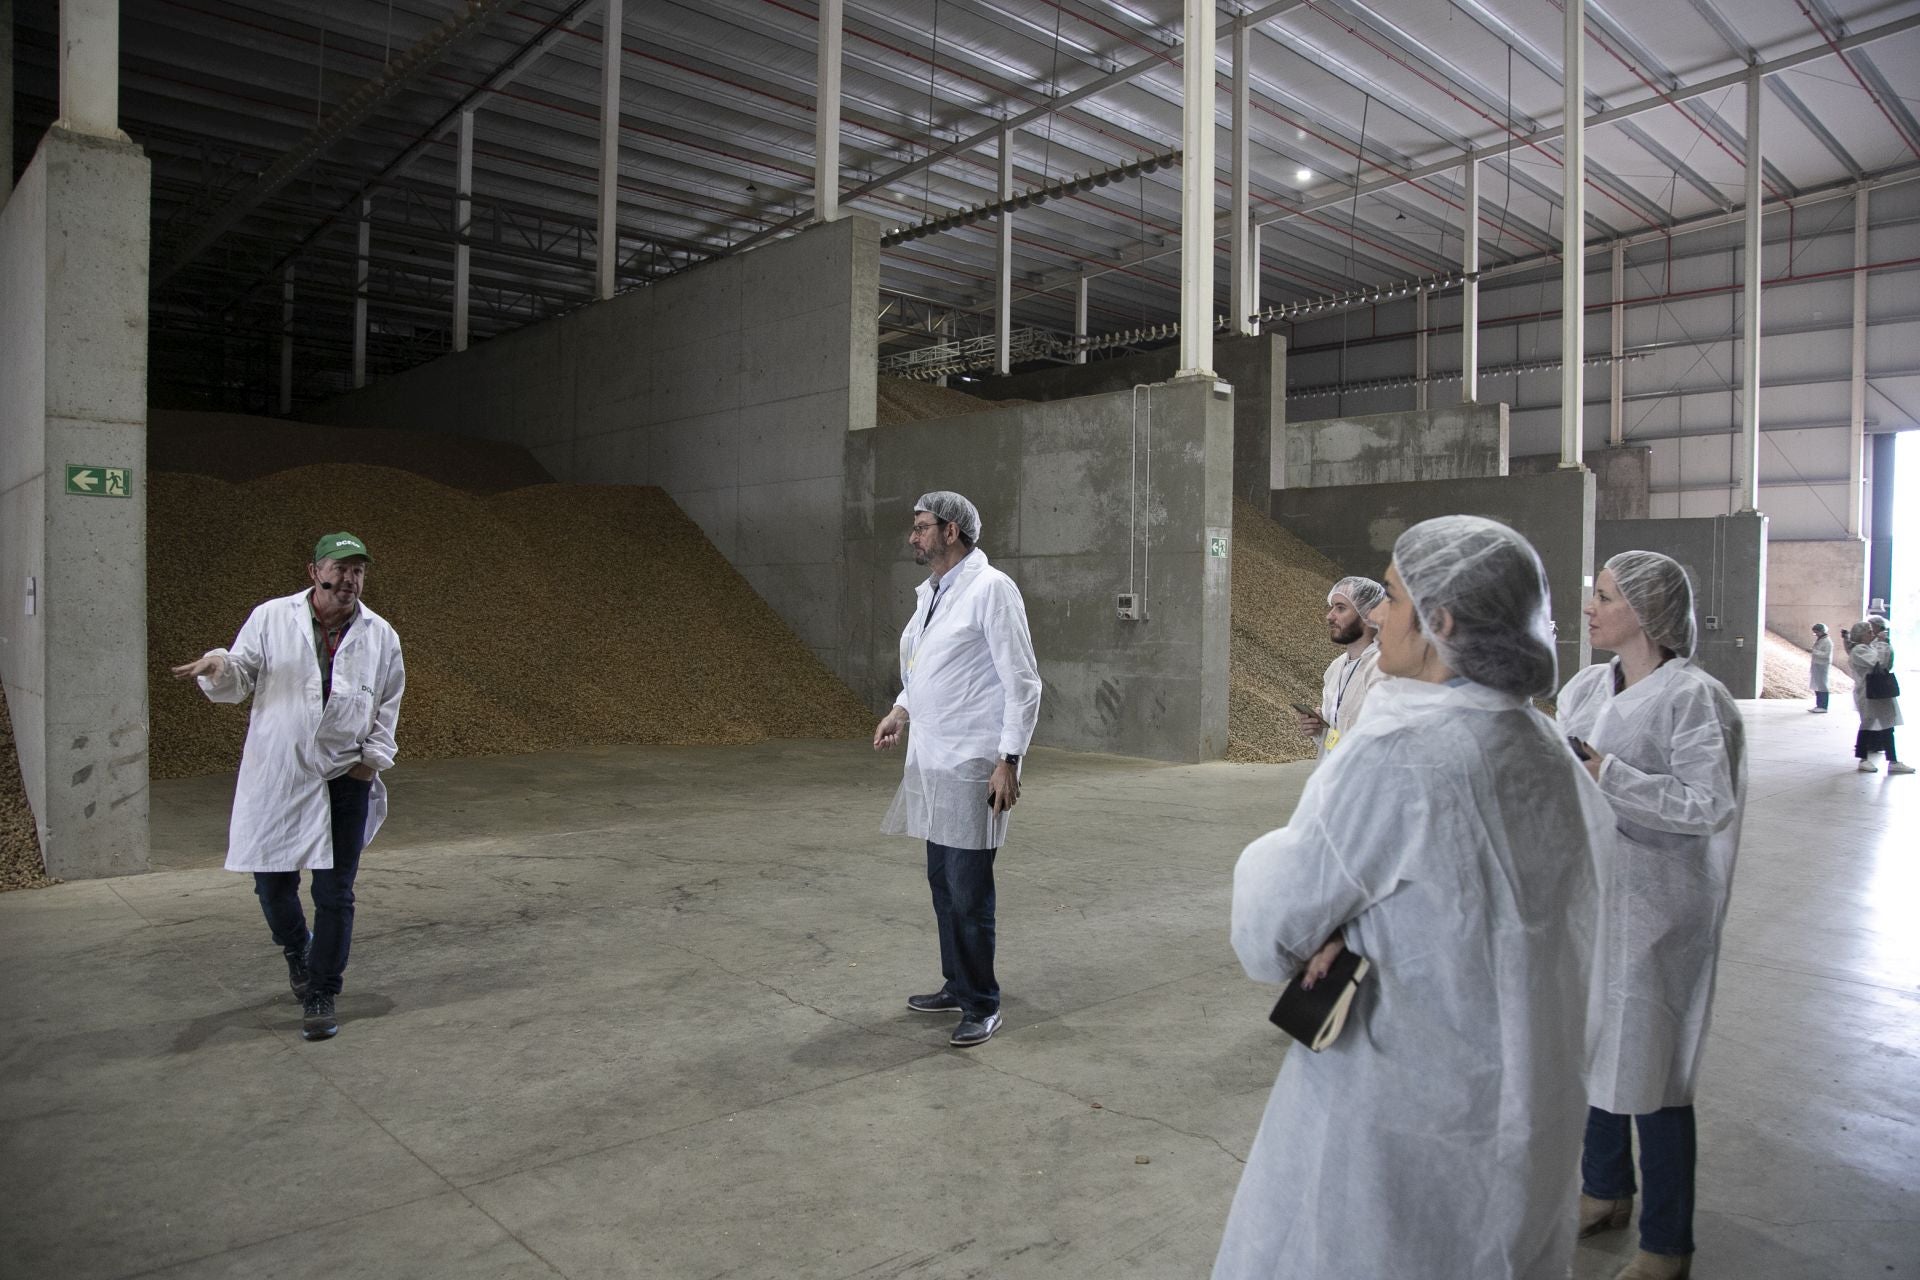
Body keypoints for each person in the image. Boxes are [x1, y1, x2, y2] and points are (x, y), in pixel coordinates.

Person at [1215, 515, 1612, 1280]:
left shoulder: (1403, 758)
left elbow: (1267, 927)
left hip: (1400, 1111)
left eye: (1391, 599)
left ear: (1442, 621)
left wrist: (1332, 923)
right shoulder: (1545, 751)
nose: (1376, 618)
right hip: (1520, 1107)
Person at [1560, 551, 1748, 1280]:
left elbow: (1709, 805)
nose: (1592, 606)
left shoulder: (1694, 700)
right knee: (1596, 1047)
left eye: (1604, 596)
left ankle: (1669, 1244)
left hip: (1660, 908)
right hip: (1595, 899)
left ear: (1645, 609)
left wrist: (1610, 774)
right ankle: (1604, 1189)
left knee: (1654, 1069)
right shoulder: (1585, 688)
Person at [171, 533, 406, 1041]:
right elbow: (238, 678)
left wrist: (371, 761)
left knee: (335, 892)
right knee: (272, 883)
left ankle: (322, 989)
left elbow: (388, 702)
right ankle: (297, 948)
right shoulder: (271, 618)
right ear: (313, 572)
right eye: (340, 569)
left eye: (358, 571)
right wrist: (219, 667)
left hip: (345, 776)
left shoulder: (380, 634)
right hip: (279, 773)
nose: (349, 579)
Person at [873, 492, 1042, 1048]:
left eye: (922, 527)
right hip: (932, 760)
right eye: (915, 527)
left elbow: (1023, 683)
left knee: (970, 891)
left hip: (974, 761)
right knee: (943, 882)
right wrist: (901, 709)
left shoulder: (991, 590)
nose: (913, 536)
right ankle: (956, 983)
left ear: (952, 532)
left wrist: (1008, 760)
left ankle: (982, 1002)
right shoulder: (934, 594)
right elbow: (923, 669)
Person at [1294, 576, 1389, 757]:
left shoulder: (1385, 669)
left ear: (1367, 614)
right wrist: (1318, 730)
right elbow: (1338, 732)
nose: (1329, 616)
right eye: (1332, 607)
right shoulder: (1336, 667)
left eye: (1340, 608)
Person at [1842, 617, 1910, 774]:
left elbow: (1886, 663)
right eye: (1869, 632)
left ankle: (1893, 760)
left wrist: (1882, 644)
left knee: (1887, 725)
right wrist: (1882, 643)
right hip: (1868, 693)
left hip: (1879, 692)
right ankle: (1863, 759)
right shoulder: (1859, 650)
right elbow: (1877, 663)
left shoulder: (1869, 647)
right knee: (1867, 724)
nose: (1872, 634)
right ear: (1861, 635)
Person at [1808, 623, 1833, 713]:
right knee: (1817, 686)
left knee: (1822, 686)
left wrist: (1814, 651)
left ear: (1822, 631)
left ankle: (1823, 706)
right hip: (1817, 664)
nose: (1816, 634)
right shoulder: (1820, 640)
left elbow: (1826, 655)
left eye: (1817, 632)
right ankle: (1818, 705)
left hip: (1822, 665)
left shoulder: (1827, 642)